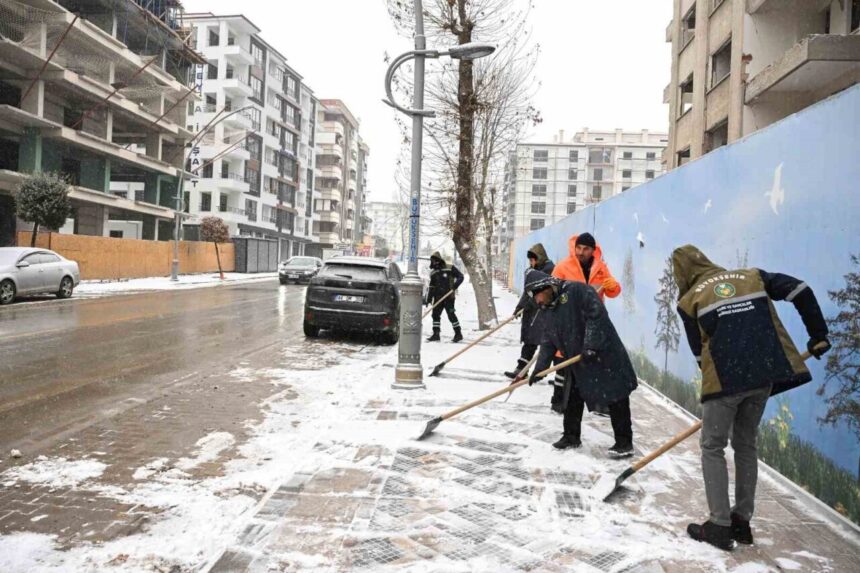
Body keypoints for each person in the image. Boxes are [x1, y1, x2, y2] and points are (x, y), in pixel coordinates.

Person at [672, 245, 831, 551]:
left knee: (712, 446)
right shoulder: (753, 276)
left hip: (726, 380)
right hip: (764, 375)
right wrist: (818, 333)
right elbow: (800, 289)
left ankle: (719, 525)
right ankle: (741, 522)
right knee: (745, 444)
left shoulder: (689, 300)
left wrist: (720, 393)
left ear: (682, 274)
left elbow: (698, 355)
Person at [525, 270, 638, 457]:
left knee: (616, 397)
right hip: (579, 360)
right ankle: (571, 436)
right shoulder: (548, 309)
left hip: (604, 354)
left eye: (536, 295)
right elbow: (548, 341)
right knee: (572, 398)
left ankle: (624, 443)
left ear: (545, 288)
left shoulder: (577, 291)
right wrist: (539, 370)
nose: (537, 301)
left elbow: (597, 315)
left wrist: (591, 345)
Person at [552, 232, 621, 417]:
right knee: (565, 363)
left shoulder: (600, 268)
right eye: (579, 248)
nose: (581, 252)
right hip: (570, 322)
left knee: (594, 364)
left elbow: (613, 292)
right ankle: (559, 401)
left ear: (593, 251)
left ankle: (599, 403)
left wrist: (612, 285)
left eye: (586, 249)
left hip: (593, 323)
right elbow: (553, 292)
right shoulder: (563, 267)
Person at [505, 244, 555, 379]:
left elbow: (544, 294)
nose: (531, 263)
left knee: (548, 344)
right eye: (530, 261)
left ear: (539, 258)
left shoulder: (550, 270)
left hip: (545, 312)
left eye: (533, 260)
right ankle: (521, 370)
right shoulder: (532, 272)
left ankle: (548, 374)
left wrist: (528, 306)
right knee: (530, 340)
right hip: (532, 313)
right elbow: (527, 293)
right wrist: (519, 307)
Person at [425, 251, 465, 343]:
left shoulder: (449, 267)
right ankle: (436, 334)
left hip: (449, 297)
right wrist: (429, 298)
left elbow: (461, 277)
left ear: (439, 260)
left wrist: (455, 286)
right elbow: (432, 286)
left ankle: (458, 334)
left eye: (435, 260)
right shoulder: (433, 272)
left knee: (451, 315)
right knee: (435, 315)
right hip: (437, 297)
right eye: (432, 261)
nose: (434, 263)